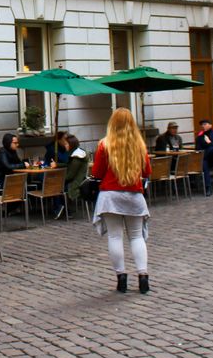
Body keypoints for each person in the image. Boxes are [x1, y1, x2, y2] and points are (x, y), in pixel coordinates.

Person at [91, 108, 152, 294]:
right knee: (136, 236)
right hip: (133, 195)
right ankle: (143, 277)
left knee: (115, 236)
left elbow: (97, 173)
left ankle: (121, 277)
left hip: (110, 195)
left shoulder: (105, 144)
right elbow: (147, 171)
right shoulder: (139, 145)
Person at [62, 134, 89, 206]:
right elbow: (69, 165)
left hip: (75, 183)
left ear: (71, 144)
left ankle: (65, 210)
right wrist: (57, 164)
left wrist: (60, 180)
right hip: (81, 180)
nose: (65, 146)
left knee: (56, 188)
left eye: (66, 144)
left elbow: (70, 175)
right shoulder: (78, 152)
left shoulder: (76, 157)